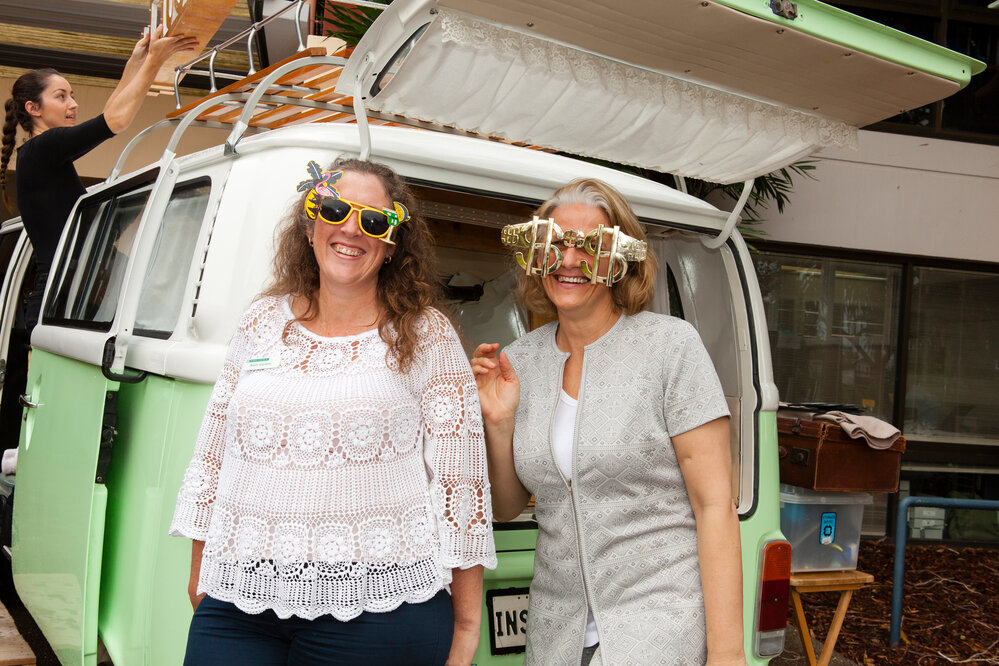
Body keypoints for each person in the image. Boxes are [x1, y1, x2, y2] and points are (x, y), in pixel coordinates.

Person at [170, 158, 496, 665]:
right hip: (242, 602)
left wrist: (468, 626)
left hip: (382, 608)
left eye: (373, 220)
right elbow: (213, 454)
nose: (351, 228)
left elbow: (459, 485)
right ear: (310, 221)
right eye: (336, 208)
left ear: (391, 244)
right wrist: (202, 576)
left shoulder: (425, 334)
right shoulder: (261, 320)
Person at [472, 178, 746, 666]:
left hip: (659, 625)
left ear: (621, 260)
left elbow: (714, 506)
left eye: (591, 247)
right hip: (555, 634)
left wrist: (727, 654)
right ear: (536, 255)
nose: (570, 262)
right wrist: (497, 421)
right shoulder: (522, 362)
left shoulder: (670, 347)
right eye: (555, 245)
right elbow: (507, 506)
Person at [0, 25, 197, 329]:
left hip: (66, 300)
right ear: (33, 108)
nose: (73, 103)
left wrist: (136, 62)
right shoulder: (44, 148)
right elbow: (114, 121)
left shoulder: (40, 154)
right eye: (61, 96)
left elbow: (110, 114)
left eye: (72, 95)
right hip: (60, 302)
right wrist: (154, 62)